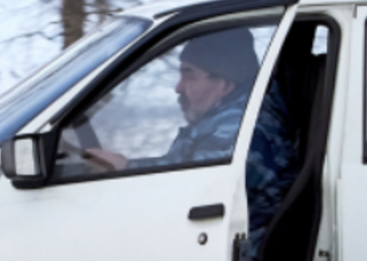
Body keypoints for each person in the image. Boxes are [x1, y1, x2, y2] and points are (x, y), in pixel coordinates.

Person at [82, 28, 260, 172]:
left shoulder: (234, 127)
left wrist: (125, 167)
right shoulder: (220, 122)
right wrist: (122, 165)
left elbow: (191, 188)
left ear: (224, 83)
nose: (178, 87)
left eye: (189, 76)